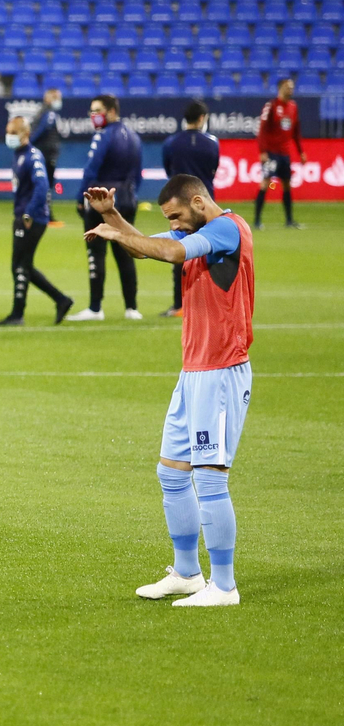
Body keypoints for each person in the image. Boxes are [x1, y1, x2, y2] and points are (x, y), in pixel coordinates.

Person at [82, 175, 254, 607]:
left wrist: (120, 229)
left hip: (221, 372)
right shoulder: (195, 230)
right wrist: (112, 216)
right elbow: (144, 244)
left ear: (198, 202)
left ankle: (225, 586)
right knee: (173, 474)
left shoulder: (226, 230)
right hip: (193, 371)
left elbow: (169, 251)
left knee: (209, 480)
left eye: (177, 215)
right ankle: (187, 574)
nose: (174, 224)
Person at [69, 94, 144, 322]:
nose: (94, 116)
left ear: (111, 111)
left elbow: (91, 170)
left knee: (96, 252)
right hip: (128, 200)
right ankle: (131, 308)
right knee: (126, 253)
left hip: (101, 201)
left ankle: (95, 308)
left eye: (98, 110)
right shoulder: (133, 137)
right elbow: (138, 174)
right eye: (91, 111)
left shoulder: (103, 136)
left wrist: (80, 198)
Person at [0, 116, 73, 326]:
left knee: (20, 265)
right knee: (23, 265)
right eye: (8, 132)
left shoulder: (32, 156)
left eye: (13, 133)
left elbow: (41, 185)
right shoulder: (20, 155)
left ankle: (18, 314)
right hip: (24, 215)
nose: (9, 137)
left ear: (25, 134)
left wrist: (28, 213)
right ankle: (60, 300)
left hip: (32, 218)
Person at [159, 100, 221, 317]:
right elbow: (214, 169)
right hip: (205, 206)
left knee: (180, 251)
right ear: (202, 118)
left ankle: (180, 305)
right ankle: (210, 303)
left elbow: (169, 171)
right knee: (209, 251)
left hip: (180, 207)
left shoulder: (171, 143)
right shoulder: (212, 143)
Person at [255, 77, 305, 230]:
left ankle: (289, 220)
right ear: (280, 88)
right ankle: (257, 221)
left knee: (287, 185)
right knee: (266, 183)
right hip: (271, 153)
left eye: (292, 87)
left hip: (285, 154)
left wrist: (301, 151)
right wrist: (263, 151)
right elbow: (262, 129)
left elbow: (295, 131)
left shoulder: (293, 107)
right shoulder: (271, 106)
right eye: (288, 87)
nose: (291, 90)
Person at [28, 87, 65, 225]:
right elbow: (40, 131)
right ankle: (45, 214)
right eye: (56, 98)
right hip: (46, 154)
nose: (59, 101)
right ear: (49, 99)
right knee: (46, 185)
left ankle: (39, 213)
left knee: (41, 185)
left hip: (43, 153)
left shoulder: (40, 113)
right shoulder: (49, 114)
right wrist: (29, 144)